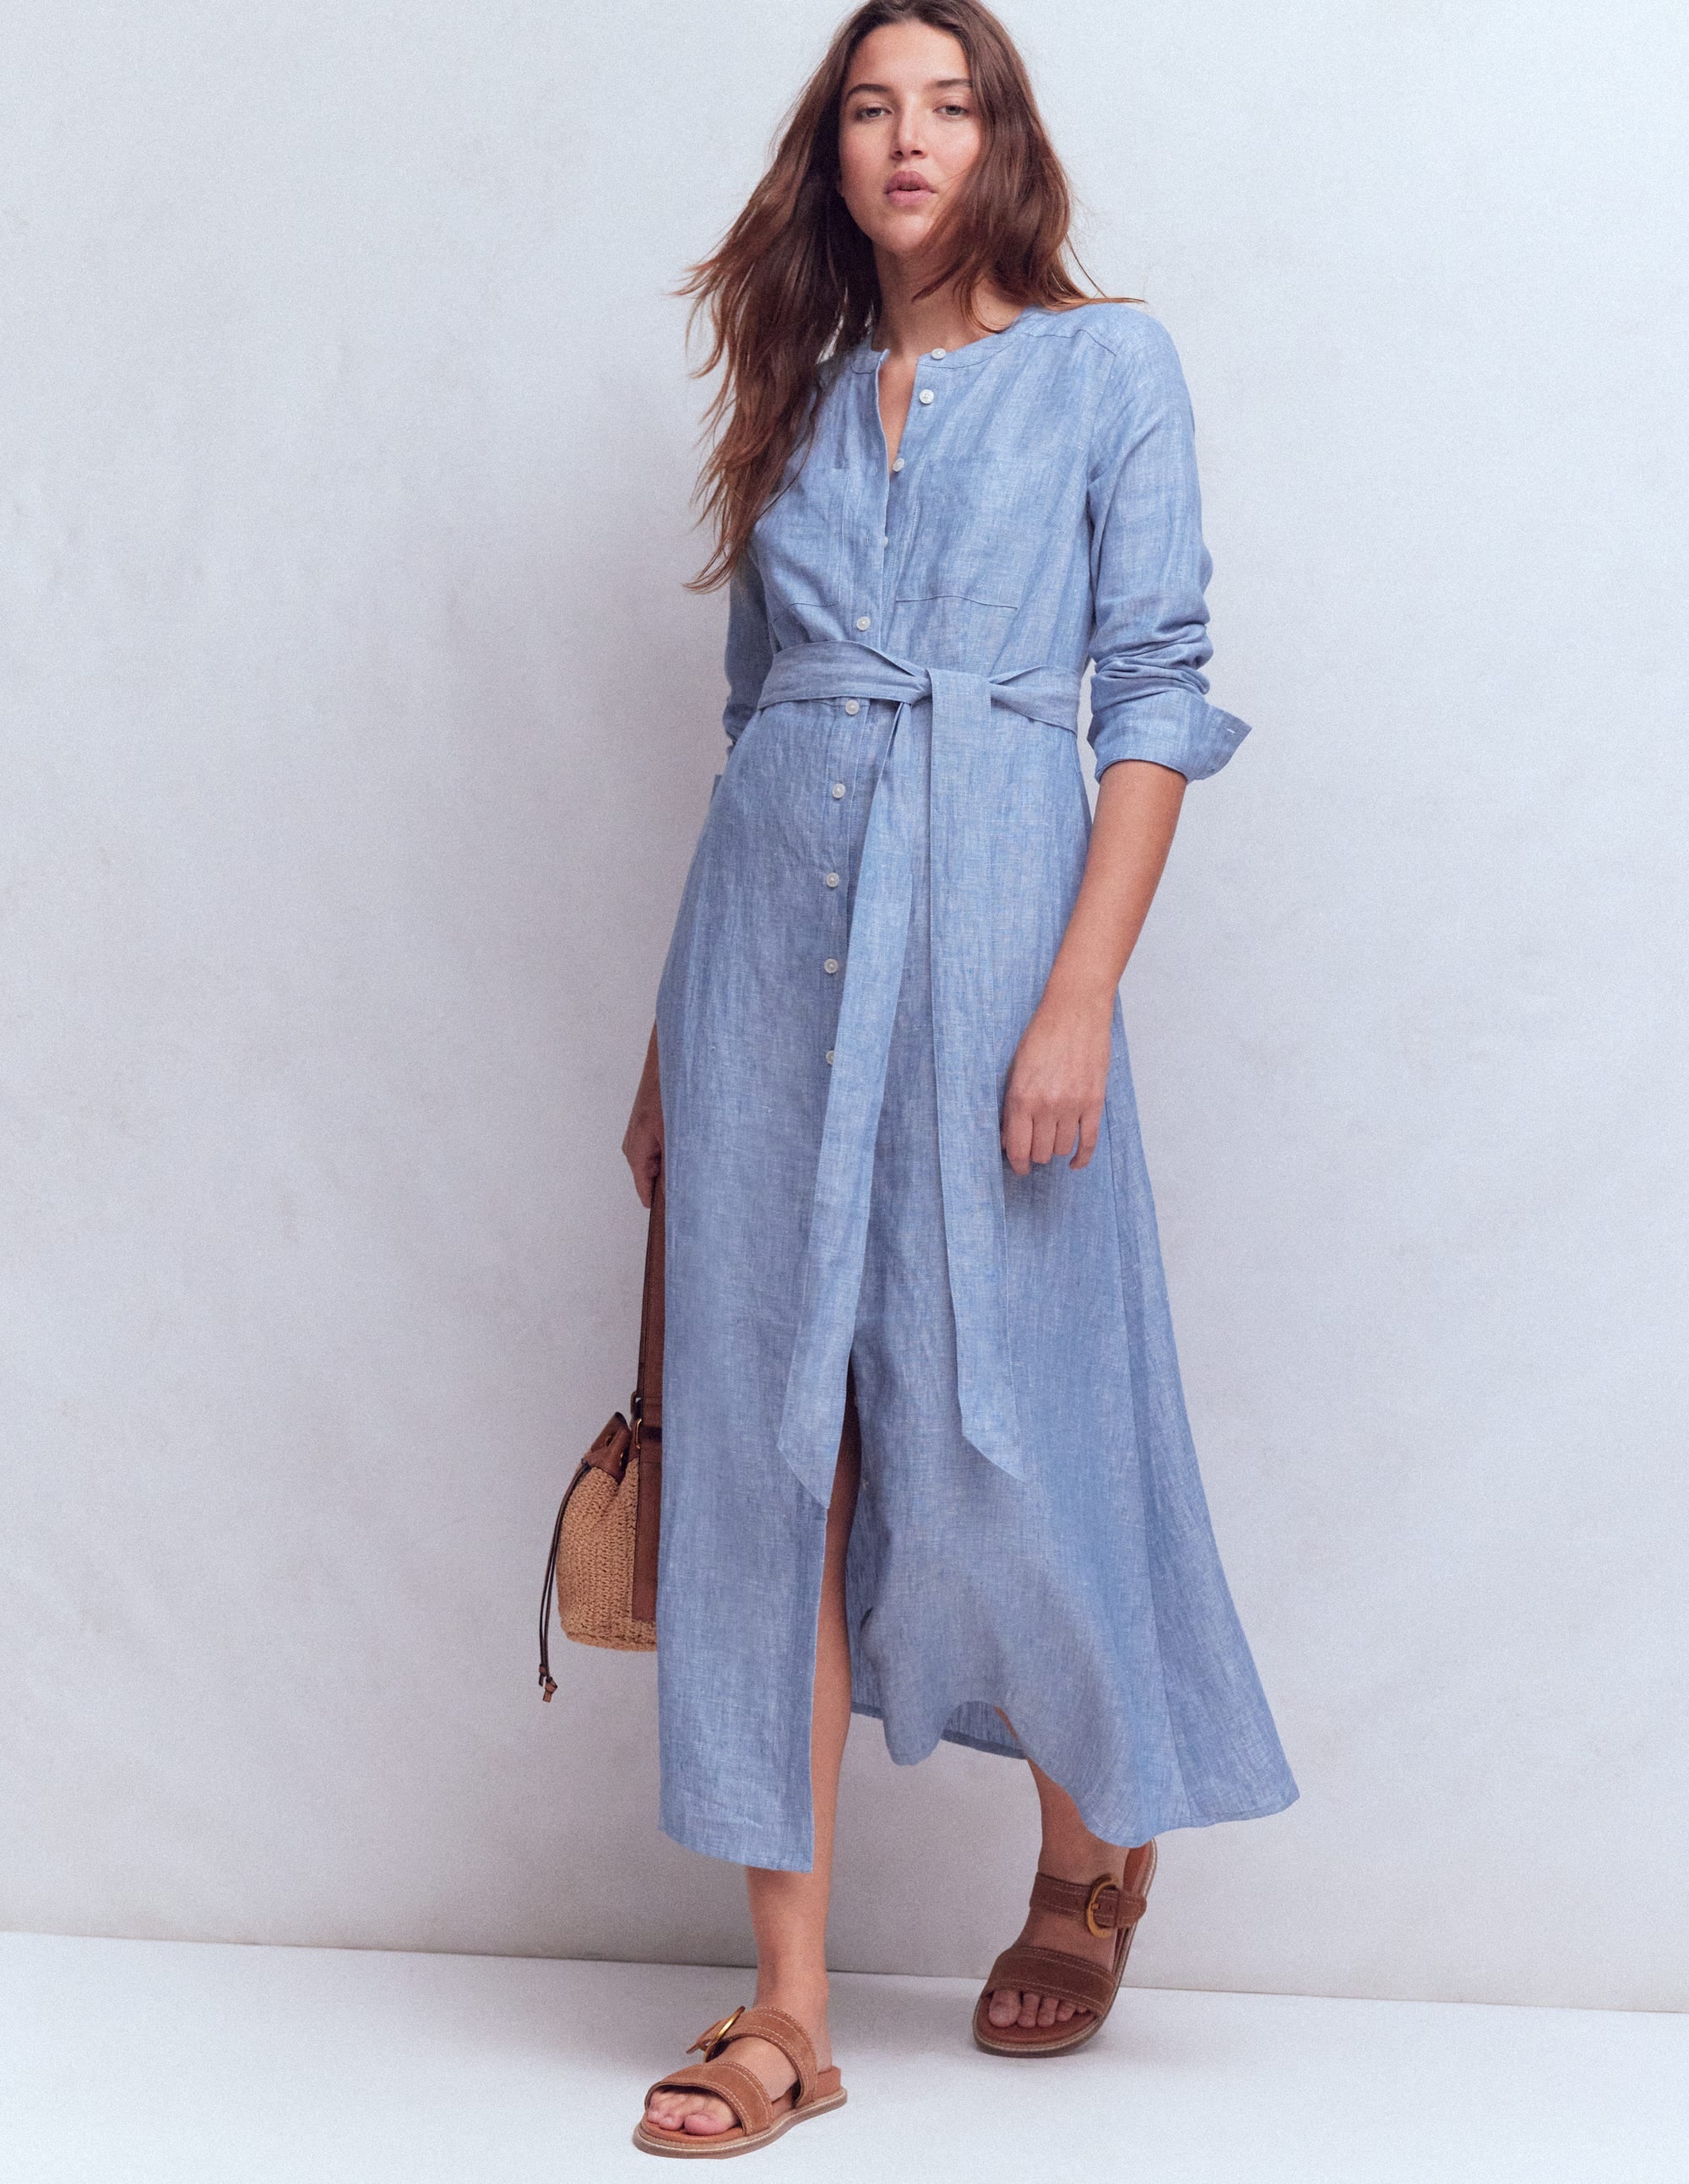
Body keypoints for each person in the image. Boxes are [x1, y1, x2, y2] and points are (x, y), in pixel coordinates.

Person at [619, 0, 1298, 2155]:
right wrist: (668, 1041)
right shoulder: (802, 398)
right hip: (765, 971)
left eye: (951, 103)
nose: (909, 143)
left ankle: (1094, 1847)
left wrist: (1081, 986)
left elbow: (1158, 688)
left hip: (1003, 936)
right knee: (762, 1471)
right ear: (829, 156)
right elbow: (751, 738)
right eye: (868, 111)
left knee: (1012, 1424)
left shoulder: (1113, 369)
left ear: (1005, 137)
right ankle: (789, 2009)